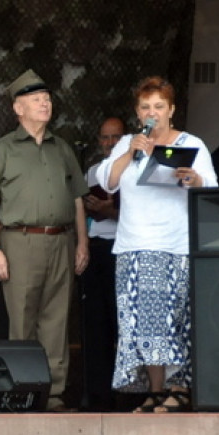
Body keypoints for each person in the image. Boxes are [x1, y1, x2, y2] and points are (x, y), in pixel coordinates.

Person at [97, 76, 217, 412]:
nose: (153, 112)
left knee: (172, 318)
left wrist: (193, 179)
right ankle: (155, 390)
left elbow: (211, 189)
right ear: (138, 112)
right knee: (141, 322)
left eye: (159, 106)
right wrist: (130, 152)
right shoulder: (127, 143)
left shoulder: (191, 143)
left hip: (174, 246)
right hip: (133, 246)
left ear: (172, 109)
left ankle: (178, 389)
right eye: (146, 106)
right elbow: (107, 182)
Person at [0, 70, 90, 412]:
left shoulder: (62, 148)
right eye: (37, 99)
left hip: (61, 241)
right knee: (22, 320)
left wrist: (82, 243)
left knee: (57, 320)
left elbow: (77, 200)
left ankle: (53, 395)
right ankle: (22, 392)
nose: (46, 104)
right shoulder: (2, 150)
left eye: (48, 99)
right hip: (19, 241)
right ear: (18, 108)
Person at [80, 116, 126, 411]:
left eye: (115, 138)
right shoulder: (92, 172)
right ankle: (97, 394)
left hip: (121, 250)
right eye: (105, 138)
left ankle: (125, 394)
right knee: (94, 325)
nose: (109, 143)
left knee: (121, 324)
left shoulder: (133, 172)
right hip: (95, 249)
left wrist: (113, 212)